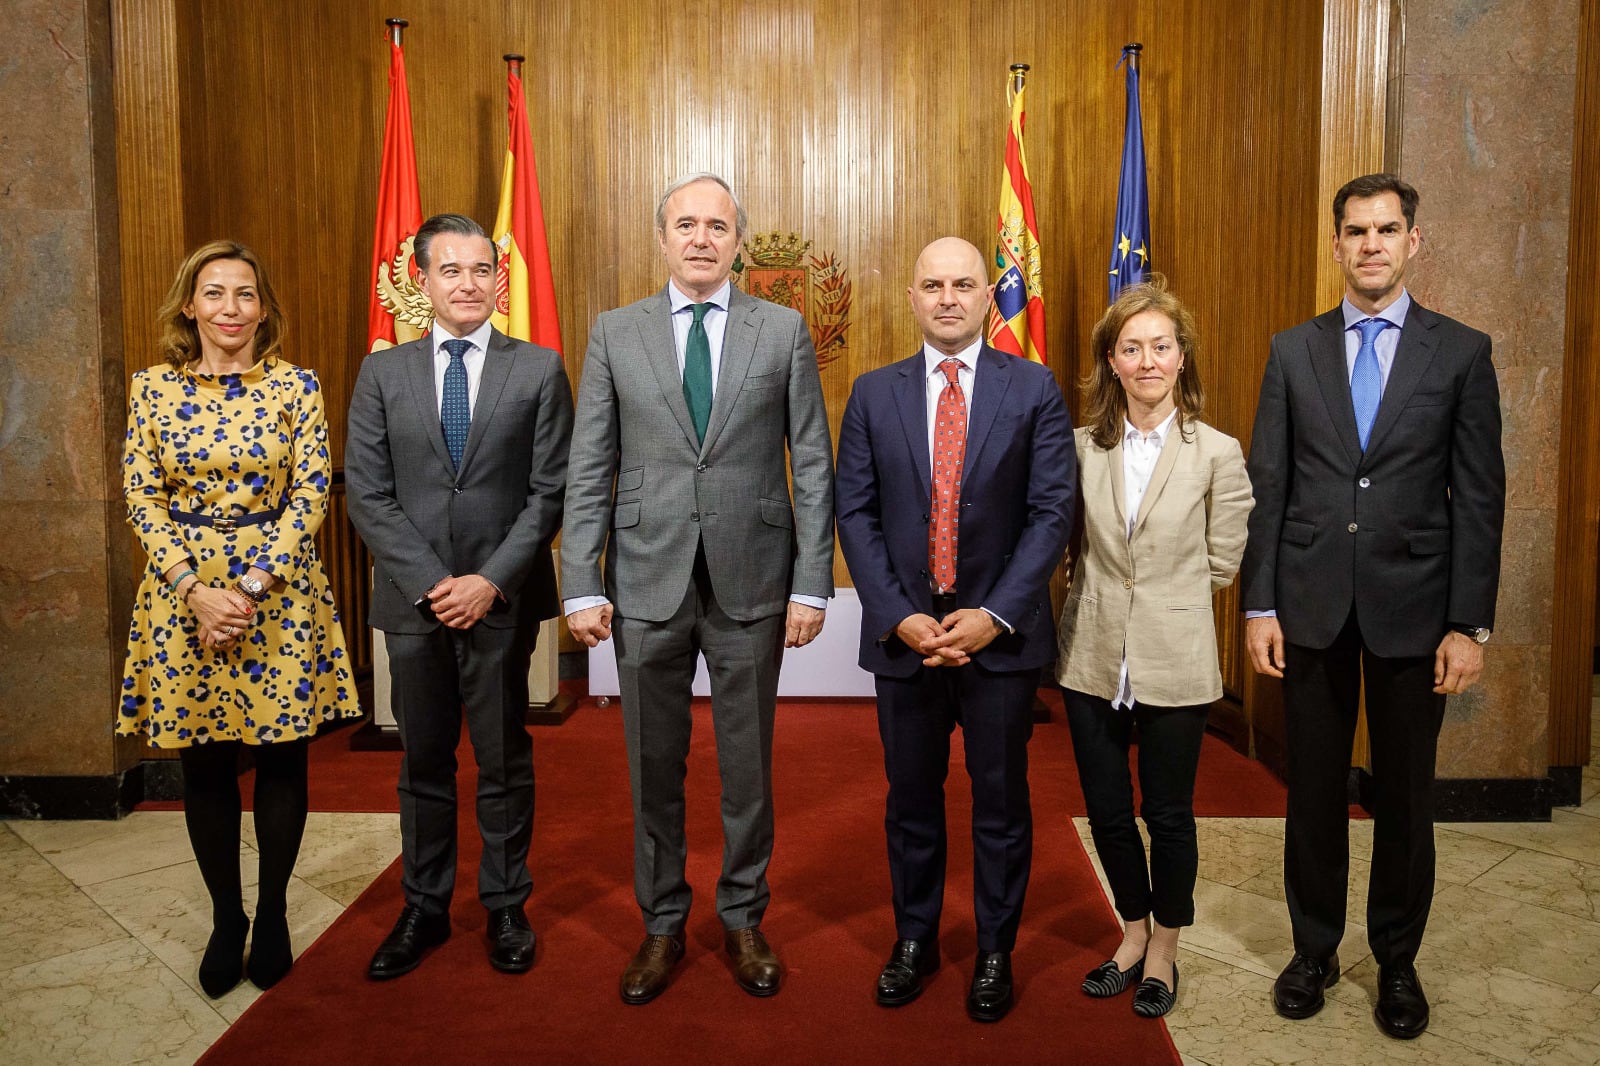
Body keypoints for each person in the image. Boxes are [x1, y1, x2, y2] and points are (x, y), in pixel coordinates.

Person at [1241, 174, 1505, 1039]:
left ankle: (1397, 962)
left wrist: (1469, 624)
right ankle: (1313, 948)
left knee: (1404, 797)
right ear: (1337, 242)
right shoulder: (1293, 351)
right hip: (1310, 609)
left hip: (1416, 613)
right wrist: (1260, 606)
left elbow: (1480, 496)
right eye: (1356, 231)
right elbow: (1270, 488)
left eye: (1387, 230)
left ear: (1413, 241)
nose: (1371, 245)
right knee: (1312, 794)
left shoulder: (1461, 353)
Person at [562, 173, 835, 1004]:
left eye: (718, 225)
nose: (702, 238)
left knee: (747, 765)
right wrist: (581, 579)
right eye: (687, 224)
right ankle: (661, 924)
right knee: (654, 762)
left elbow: (812, 464)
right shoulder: (616, 332)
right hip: (645, 576)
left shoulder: (782, 330)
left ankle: (744, 916)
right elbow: (590, 463)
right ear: (663, 238)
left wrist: (813, 585)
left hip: (754, 577)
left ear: (737, 241)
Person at [835, 236, 1075, 1022]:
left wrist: (995, 614)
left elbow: (1051, 513)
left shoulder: (1034, 388)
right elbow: (856, 513)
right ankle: (916, 938)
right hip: (906, 639)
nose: (947, 298)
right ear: (912, 297)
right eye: (932, 284)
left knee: (1001, 802)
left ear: (988, 296)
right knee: (910, 801)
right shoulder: (873, 394)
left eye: (963, 284)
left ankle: (997, 949)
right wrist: (898, 614)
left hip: (998, 643)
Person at [118, 240, 361, 997]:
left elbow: (312, 493)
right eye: (214, 293)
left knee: (283, 755)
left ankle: (277, 910)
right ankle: (229, 917)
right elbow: (140, 496)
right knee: (205, 762)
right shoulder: (152, 388)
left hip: (278, 596)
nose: (230, 308)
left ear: (264, 306)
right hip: (181, 596)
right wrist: (195, 588)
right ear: (189, 305)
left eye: (245, 294)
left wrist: (248, 589)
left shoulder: (297, 387)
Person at [345, 213, 572, 980]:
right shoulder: (381, 373)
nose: (469, 284)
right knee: (423, 760)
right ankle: (424, 905)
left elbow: (550, 493)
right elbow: (368, 496)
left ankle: (507, 903)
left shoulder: (537, 369)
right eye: (452, 270)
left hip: (500, 600)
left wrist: (489, 581)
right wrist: (434, 584)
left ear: (499, 281)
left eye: (482, 270)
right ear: (422, 280)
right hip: (412, 605)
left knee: (505, 755)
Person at [1055, 276, 1253, 1019]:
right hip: (1091, 654)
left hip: (1176, 656)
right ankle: (1131, 933)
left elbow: (1219, 562)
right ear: (1112, 360)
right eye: (1131, 347)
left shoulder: (1218, 454)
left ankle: (1166, 947)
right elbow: (1066, 544)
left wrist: (1161, 606)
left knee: (1167, 813)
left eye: (1160, 347)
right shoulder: (1080, 448)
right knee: (1107, 809)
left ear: (1181, 357)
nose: (1146, 361)